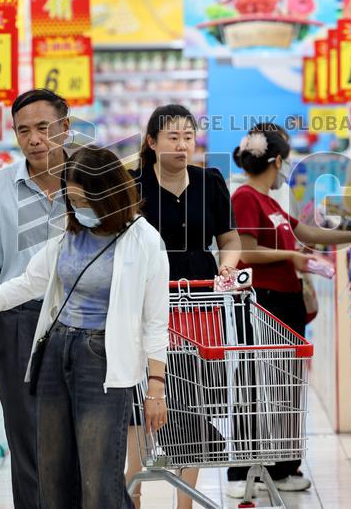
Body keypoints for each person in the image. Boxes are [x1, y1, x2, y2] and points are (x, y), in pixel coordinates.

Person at [0, 147, 170, 509]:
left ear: (108, 193)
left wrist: (156, 388)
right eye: (72, 199)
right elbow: (30, 282)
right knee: (52, 472)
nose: (76, 207)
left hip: (103, 362)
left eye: (82, 199)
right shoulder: (70, 232)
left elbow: (156, 321)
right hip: (56, 351)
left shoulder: (144, 241)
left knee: (99, 477)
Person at [226, 126, 351, 496]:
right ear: (276, 160)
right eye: (286, 161)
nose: (286, 167)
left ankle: (280, 467)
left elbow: (305, 233)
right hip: (263, 302)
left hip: (285, 302)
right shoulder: (246, 197)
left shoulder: (272, 203)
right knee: (258, 383)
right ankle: (242, 469)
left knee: (286, 385)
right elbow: (248, 250)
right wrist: (292, 257)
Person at [126, 104, 242, 509]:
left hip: (201, 301)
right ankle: (133, 487)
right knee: (141, 400)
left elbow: (229, 240)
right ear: (152, 142)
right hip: (145, 303)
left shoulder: (210, 181)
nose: (181, 145)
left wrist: (226, 270)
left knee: (194, 398)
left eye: (187, 137)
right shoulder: (133, 184)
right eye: (172, 137)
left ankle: (185, 501)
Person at [0, 89, 71, 509]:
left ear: (65, 127)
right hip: (17, 321)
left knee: (81, 431)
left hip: (82, 322)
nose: (35, 139)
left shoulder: (91, 182)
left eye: (44, 128)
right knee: (26, 435)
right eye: (24, 130)